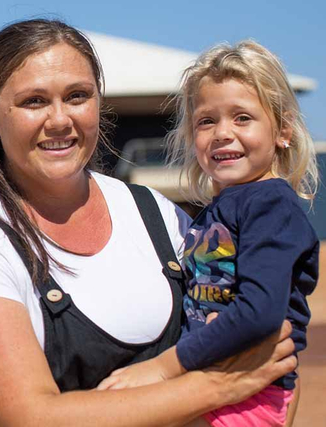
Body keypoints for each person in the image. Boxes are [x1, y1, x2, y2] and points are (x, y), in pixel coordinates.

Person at [0, 20, 297, 426]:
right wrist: (218, 387)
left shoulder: (155, 213)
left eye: (77, 96)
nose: (59, 119)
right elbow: (30, 418)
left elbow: (275, 355)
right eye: (34, 101)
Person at [97, 40, 319, 426]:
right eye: (206, 121)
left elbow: (259, 314)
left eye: (242, 118)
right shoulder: (216, 211)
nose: (222, 133)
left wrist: (162, 368)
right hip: (209, 379)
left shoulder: (271, 205)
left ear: (282, 130)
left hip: (252, 389)